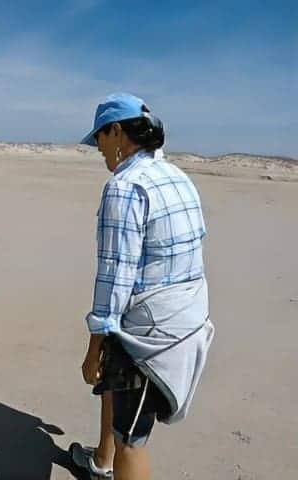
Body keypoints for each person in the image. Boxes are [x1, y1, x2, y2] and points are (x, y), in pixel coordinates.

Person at [70, 93, 215, 480]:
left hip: (154, 331)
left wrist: (93, 346)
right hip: (190, 317)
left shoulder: (125, 186)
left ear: (116, 132)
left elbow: (115, 276)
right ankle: (101, 461)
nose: (98, 150)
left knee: (131, 441)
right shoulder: (178, 176)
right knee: (113, 382)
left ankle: (114, 456)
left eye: (99, 139)